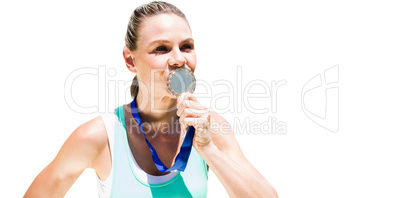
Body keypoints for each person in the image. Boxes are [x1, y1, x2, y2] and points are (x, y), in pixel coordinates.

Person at [24, 1, 278, 197]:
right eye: (161, 48)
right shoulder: (99, 136)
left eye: (186, 46)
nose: (179, 59)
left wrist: (208, 150)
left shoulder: (212, 129)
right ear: (130, 60)